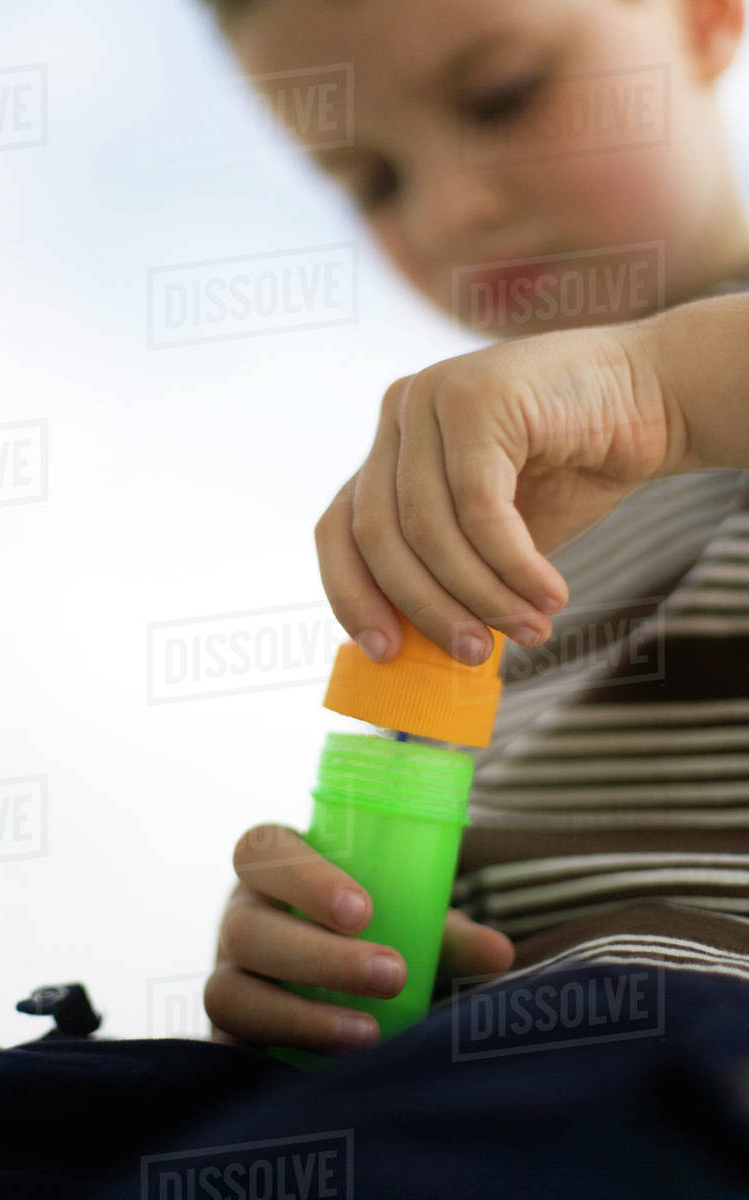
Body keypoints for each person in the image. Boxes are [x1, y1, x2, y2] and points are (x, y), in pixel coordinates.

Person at [203, 0, 749, 1063]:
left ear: (701, 18)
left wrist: (661, 386)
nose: (452, 211)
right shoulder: (480, 509)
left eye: (504, 96)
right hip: (474, 1066)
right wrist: (321, 943)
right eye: (375, 181)